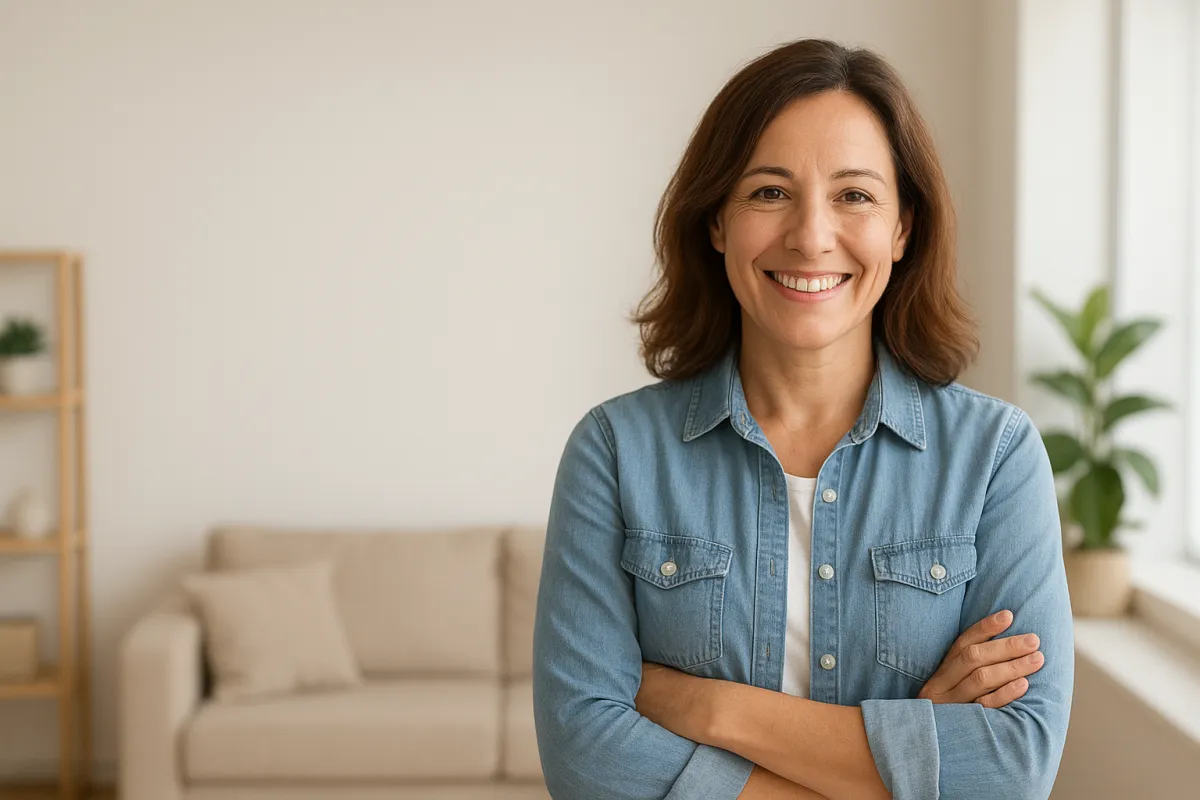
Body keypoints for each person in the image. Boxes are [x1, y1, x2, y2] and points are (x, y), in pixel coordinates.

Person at [532, 38, 1072, 800]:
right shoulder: (615, 452)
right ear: (717, 220)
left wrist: (703, 705)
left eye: (854, 195)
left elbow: (1013, 769)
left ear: (903, 228)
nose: (812, 235)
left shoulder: (995, 457)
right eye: (769, 192)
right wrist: (911, 750)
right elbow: (586, 762)